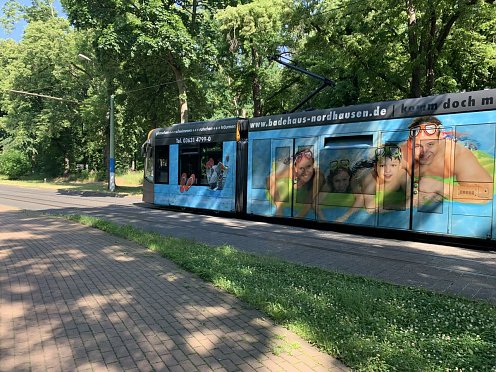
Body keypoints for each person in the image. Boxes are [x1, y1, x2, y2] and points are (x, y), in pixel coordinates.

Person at [400, 116, 492, 206]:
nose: (423, 152)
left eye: (430, 144)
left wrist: (440, 187)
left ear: (440, 141)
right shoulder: (403, 153)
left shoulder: (458, 155)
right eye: (417, 146)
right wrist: (408, 187)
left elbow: (484, 194)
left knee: (468, 145)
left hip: (463, 147)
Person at [267, 148, 324, 217]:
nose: (306, 172)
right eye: (301, 168)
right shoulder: (290, 171)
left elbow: (309, 202)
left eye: (308, 166)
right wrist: (279, 207)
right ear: (296, 168)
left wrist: (300, 215)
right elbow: (270, 178)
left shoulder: (318, 176)